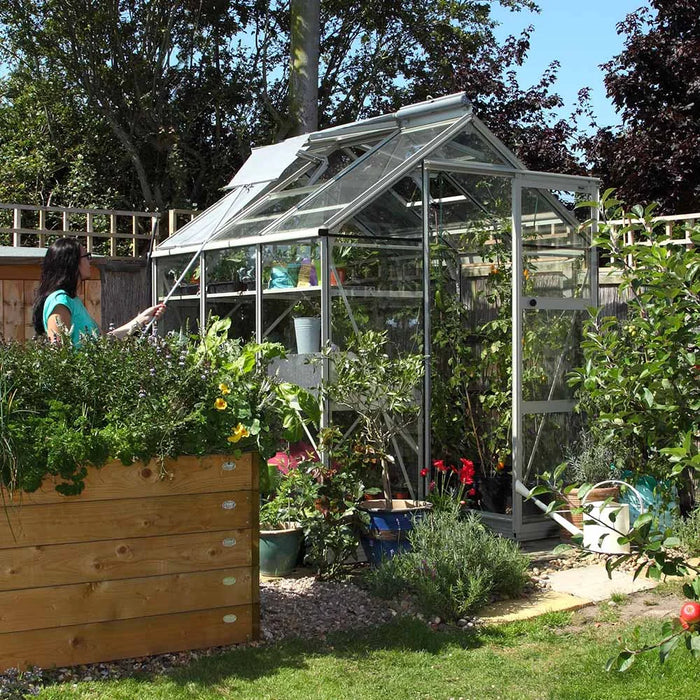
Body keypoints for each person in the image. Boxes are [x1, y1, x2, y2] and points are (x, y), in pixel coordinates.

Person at [31, 237, 165, 346]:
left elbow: (103, 341)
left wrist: (142, 319)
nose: (90, 262)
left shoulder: (72, 300)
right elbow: (59, 354)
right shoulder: (59, 301)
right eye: (87, 257)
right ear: (72, 262)